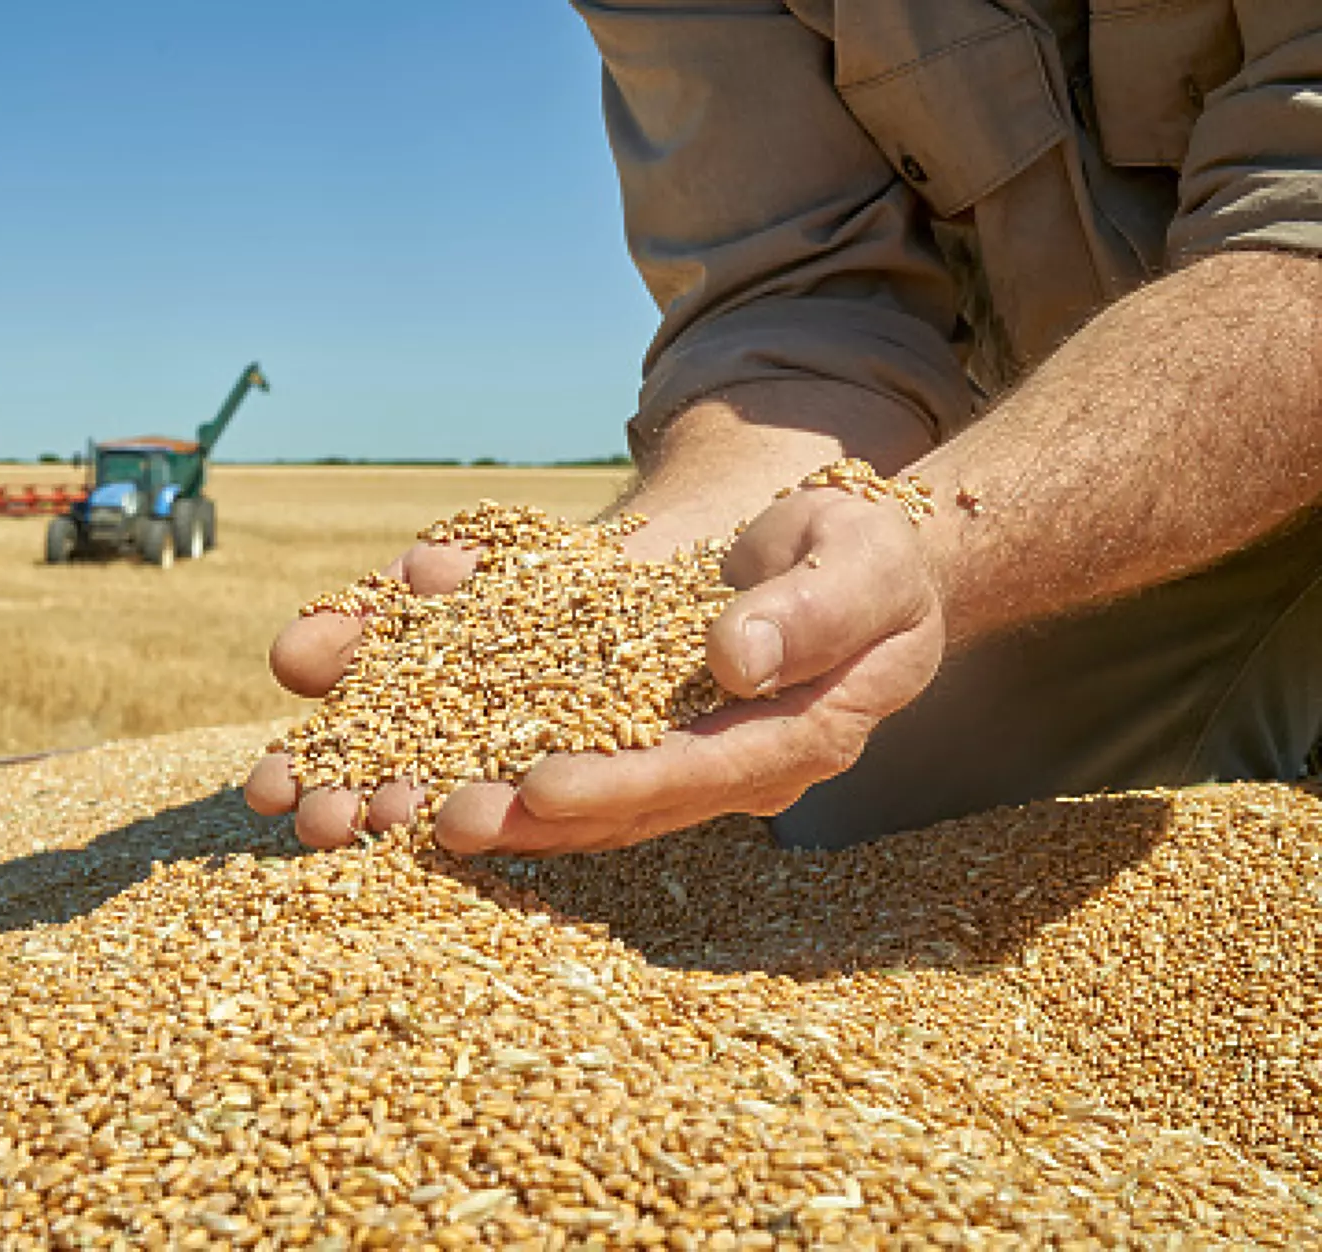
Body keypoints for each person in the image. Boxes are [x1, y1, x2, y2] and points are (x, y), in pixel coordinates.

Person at [247, 0, 1322, 856]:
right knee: (871, 809)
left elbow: (1301, 236)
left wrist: (949, 543)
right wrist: (659, 566)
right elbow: (798, 297)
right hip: (1075, 452)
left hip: (1253, 385)